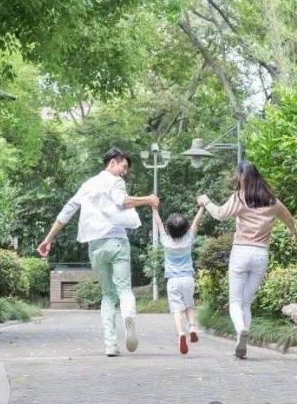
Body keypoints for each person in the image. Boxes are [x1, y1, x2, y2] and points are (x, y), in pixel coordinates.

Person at [37, 148, 159, 357]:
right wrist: (148, 199)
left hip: (96, 246)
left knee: (107, 295)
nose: (124, 172)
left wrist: (48, 239)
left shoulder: (88, 185)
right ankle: (128, 318)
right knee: (124, 290)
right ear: (113, 162)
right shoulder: (116, 181)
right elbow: (122, 202)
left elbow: (67, 211)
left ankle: (110, 345)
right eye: (123, 167)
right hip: (117, 242)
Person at [197, 161, 296, 359]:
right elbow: (289, 219)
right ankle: (242, 343)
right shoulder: (272, 200)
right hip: (260, 255)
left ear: (243, 177)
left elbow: (219, 214)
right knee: (246, 302)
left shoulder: (240, 197)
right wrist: (293, 231)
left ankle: (240, 330)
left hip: (241, 252)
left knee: (235, 301)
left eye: (238, 176)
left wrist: (205, 201)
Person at [152, 205, 205, 355]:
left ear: (169, 230)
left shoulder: (166, 241)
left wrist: (154, 208)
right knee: (189, 305)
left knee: (177, 309)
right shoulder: (188, 240)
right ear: (186, 228)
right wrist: (202, 207)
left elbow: (159, 224)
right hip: (187, 279)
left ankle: (181, 333)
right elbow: (196, 222)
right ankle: (192, 327)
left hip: (173, 281)